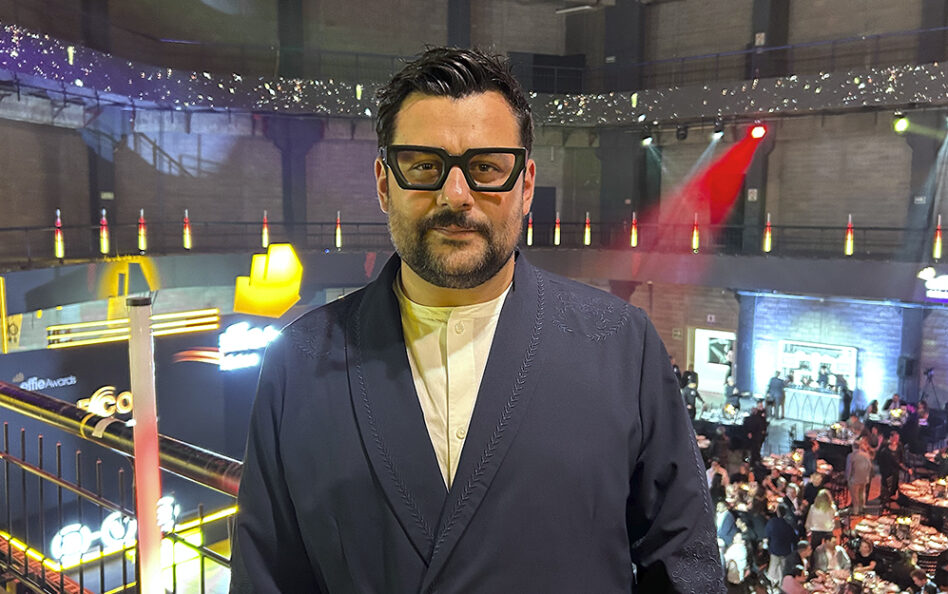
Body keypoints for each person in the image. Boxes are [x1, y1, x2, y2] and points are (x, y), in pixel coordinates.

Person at [229, 47, 724, 593]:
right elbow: (267, 575)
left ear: (526, 185)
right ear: (384, 183)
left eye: (486, 167)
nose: (455, 195)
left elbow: (683, 567)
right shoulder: (299, 362)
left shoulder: (622, 346)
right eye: (424, 166)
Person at [878, 430, 913, 508]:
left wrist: (907, 467)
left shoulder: (900, 446)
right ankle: (884, 504)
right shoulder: (885, 447)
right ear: (890, 438)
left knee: (893, 489)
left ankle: (890, 503)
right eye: (895, 438)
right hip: (886, 472)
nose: (896, 440)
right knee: (885, 488)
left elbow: (902, 459)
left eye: (897, 438)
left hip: (895, 472)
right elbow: (880, 460)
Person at [765, 503, 796, 586]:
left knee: (773, 568)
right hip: (785, 551)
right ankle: (781, 586)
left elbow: (767, 534)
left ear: (777, 512)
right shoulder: (788, 525)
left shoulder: (772, 522)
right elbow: (793, 539)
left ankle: (771, 585)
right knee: (782, 570)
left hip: (774, 549)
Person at [845, 438, 873, 515]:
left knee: (855, 496)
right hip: (864, 478)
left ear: (853, 447)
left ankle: (856, 511)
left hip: (854, 479)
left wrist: (847, 479)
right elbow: (870, 467)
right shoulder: (866, 455)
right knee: (862, 493)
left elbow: (849, 469)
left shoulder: (851, 456)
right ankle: (862, 508)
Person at [744, 400, 768, 466]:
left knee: (756, 449)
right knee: (754, 449)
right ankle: (752, 461)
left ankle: (754, 461)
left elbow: (763, 423)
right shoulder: (755, 416)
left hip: (759, 435)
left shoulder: (762, 415)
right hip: (755, 435)